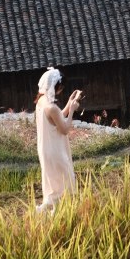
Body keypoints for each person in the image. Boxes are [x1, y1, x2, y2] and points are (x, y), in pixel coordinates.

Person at [35, 67, 84, 212]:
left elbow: (57, 119)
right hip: (55, 149)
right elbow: (65, 129)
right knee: (65, 183)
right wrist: (73, 110)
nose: (61, 91)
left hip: (46, 149)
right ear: (56, 87)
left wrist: (69, 103)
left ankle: (48, 210)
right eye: (61, 88)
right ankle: (58, 213)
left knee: (54, 183)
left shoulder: (41, 102)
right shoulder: (52, 107)